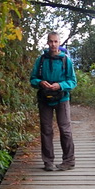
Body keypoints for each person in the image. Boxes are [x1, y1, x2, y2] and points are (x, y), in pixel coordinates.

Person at [30, 31, 77, 171]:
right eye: (51, 41)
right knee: (46, 130)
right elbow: (32, 79)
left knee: (65, 130)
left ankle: (69, 161)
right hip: (44, 98)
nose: (53, 44)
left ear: (59, 42)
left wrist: (60, 85)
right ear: (47, 42)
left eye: (56, 41)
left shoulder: (65, 60)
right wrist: (40, 82)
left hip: (62, 98)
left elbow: (73, 81)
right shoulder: (41, 60)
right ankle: (48, 162)